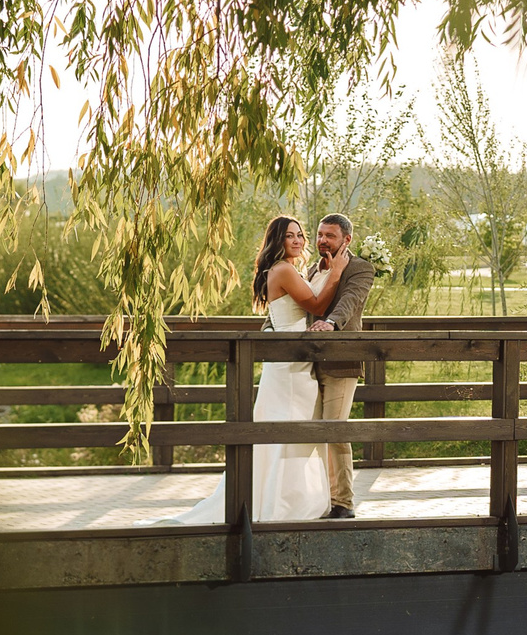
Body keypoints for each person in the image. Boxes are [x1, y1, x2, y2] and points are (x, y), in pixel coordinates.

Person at [160, 215, 333, 526]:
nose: (298, 240)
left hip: (291, 360)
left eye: (300, 235)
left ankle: (285, 495)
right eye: (289, 236)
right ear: (276, 241)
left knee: (289, 427)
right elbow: (318, 306)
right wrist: (337, 272)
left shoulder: (286, 269)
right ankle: (280, 502)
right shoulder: (282, 270)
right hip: (289, 363)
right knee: (288, 428)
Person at [306, 213, 377, 519]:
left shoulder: (360, 268)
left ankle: (344, 502)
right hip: (307, 362)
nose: (322, 240)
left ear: (347, 240)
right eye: (320, 234)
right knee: (311, 433)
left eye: (330, 236)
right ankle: (321, 497)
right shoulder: (312, 268)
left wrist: (331, 323)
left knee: (335, 429)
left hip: (342, 360)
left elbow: (350, 300)